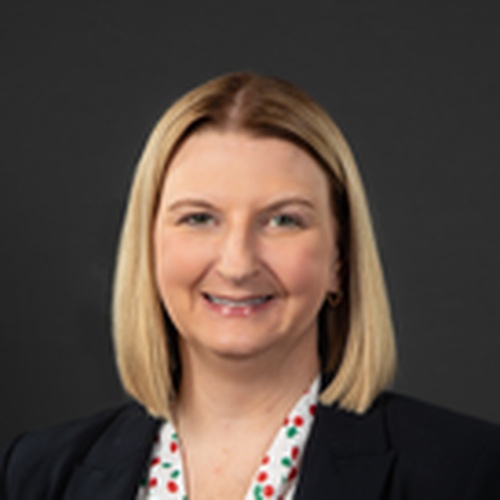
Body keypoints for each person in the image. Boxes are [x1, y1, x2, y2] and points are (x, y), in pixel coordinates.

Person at [1, 72, 500, 499]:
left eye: (283, 220)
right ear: (148, 250)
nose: (237, 264)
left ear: (340, 259)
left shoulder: (466, 474)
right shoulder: (34, 475)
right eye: (199, 218)